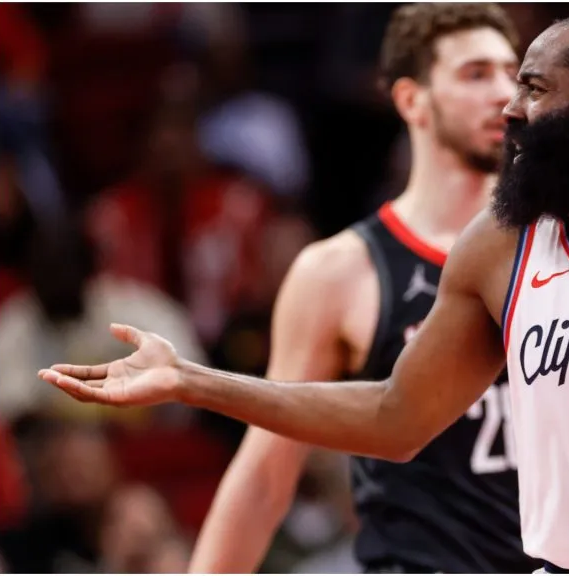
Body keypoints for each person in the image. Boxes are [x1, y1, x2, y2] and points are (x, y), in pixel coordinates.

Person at [41, 14, 569, 574]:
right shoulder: (499, 246)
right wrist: (195, 381)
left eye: (534, 87)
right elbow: (394, 418)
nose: (512, 110)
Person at [190, 4, 532, 574]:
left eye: (511, 73)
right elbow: (265, 477)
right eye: (475, 74)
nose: (503, 93)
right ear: (410, 100)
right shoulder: (340, 271)